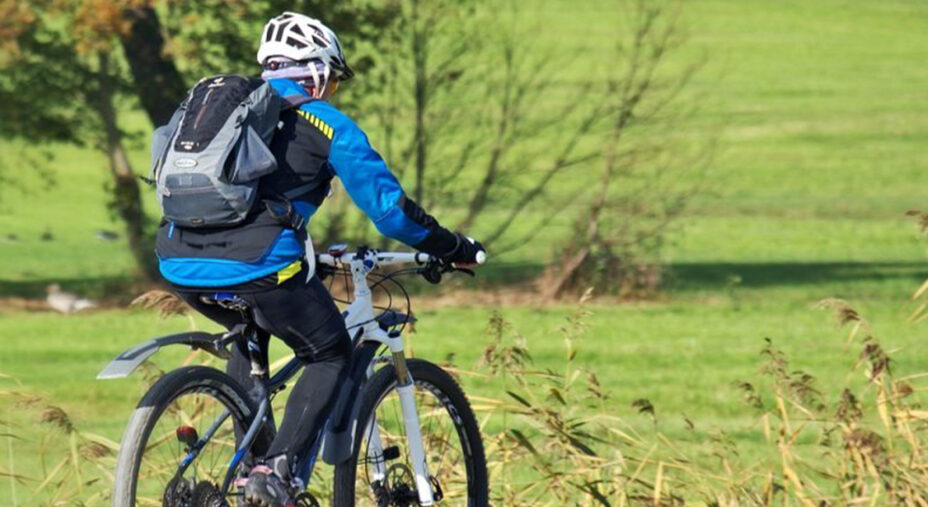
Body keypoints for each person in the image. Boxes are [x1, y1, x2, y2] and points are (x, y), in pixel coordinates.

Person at [154, 12, 485, 506]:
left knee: (253, 333)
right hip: (262, 265)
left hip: (177, 262)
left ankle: (248, 472)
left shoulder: (223, 113)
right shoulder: (327, 123)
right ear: (316, 72)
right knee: (329, 353)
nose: (330, 90)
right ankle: (276, 470)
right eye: (331, 79)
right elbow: (391, 213)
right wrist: (451, 247)